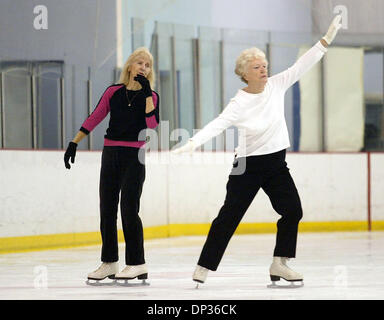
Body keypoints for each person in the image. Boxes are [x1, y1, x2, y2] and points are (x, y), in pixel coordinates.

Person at [173, 15, 342, 285]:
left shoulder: (276, 85)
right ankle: (204, 266)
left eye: (264, 65)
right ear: (244, 73)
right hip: (247, 166)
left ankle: (280, 263)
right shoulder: (238, 103)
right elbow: (217, 124)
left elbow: (304, 64)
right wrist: (193, 143)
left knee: (292, 211)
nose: (264, 70)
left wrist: (327, 38)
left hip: (276, 164)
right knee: (229, 217)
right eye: (256, 67)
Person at [64, 47, 160, 282]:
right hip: (110, 154)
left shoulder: (152, 96)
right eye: (140, 63)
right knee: (107, 209)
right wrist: (74, 143)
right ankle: (109, 263)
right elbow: (95, 116)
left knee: (129, 210)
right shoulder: (113, 92)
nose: (143, 68)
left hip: (134, 156)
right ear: (129, 66)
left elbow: (153, 125)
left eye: (147, 65)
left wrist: (147, 93)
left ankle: (137, 263)